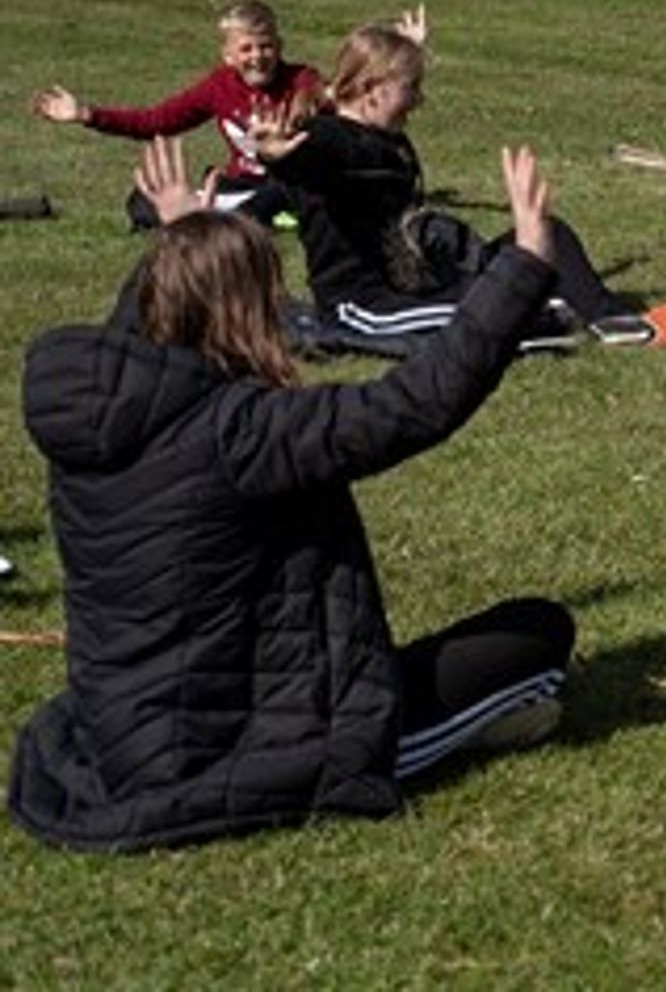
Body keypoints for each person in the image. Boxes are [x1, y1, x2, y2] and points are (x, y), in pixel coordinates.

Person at [10, 138, 579, 852]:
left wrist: (185, 233)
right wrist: (524, 263)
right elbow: (415, 403)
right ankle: (459, 734)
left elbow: (162, 309)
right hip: (249, 745)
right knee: (539, 636)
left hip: (122, 731)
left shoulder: (99, 415)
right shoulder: (241, 431)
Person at [255, 21, 666, 347]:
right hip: (368, 307)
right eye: (411, 87)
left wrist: (408, 50)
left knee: (547, 235)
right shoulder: (329, 138)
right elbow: (308, 163)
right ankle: (562, 314)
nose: (420, 99)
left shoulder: (384, 137)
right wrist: (276, 155)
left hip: (424, 281)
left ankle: (610, 318)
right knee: (507, 318)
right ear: (374, 88)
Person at [28, 0, 324, 225]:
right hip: (240, 186)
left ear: (280, 46)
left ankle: (227, 219)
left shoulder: (301, 79)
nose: (257, 57)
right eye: (246, 49)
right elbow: (156, 121)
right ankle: (225, 217)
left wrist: (304, 106)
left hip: (286, 186)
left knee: (282, 194)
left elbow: (315, 92)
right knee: (143, 202)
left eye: (266, 47)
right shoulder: (218, 86)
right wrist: (86, 114)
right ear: (228, 55)